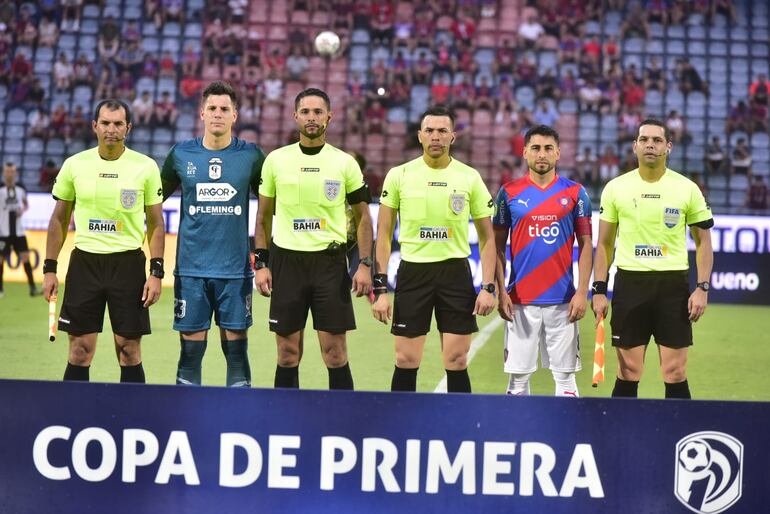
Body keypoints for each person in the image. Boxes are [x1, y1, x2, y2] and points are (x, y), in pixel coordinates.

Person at [254, 87, 373, 390]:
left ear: (329, 117)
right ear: (295, 116)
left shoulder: (345, 163)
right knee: (287, 354)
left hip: (329, 265)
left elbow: (363, 217)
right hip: (286, 263)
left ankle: (343, 423)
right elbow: (264, 217)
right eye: (305, 112)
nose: (311, 117)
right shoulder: (276, 161)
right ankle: (285, 422)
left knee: (335, 354)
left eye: (318, 112)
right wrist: (262, 263)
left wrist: (365, 264)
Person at [371, 106, 496, 393]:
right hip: (413, 272)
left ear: (453, 136)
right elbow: (384, 236)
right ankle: (402, 428)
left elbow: (488, 238)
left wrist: (488, 287)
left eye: (442, 131)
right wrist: (379, 291)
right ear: (419, 136)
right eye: (429, 130)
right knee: (405, 359)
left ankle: (457, 429)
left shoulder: (469, 177)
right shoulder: (399, 175)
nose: (435, 136)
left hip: (455, 274)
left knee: (456, 359)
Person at [42, 99, 165, 382]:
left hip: (129, 265)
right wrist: (49, 268)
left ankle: (131, 422)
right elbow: (59, 220)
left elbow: (157, 223)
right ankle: (74, 419)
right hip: (85, 263)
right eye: (106, 123)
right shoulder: (74, 165)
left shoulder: (145, 167)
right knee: (80, 351)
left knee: (129, 350)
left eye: (118, 123)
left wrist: (156, 272)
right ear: (95, 126)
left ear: (128, 128)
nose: (112, 129)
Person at [592, 119, 714, 399]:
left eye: (657, 140)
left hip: (673, 285)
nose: (650, 144)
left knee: (675, 372)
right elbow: (605, 243)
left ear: (668, 147)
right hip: (630, 283)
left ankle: (677, 439)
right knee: (628, 372)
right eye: (644, 139)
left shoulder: (687, 188)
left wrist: (702, 287)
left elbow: (703, 242)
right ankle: (620, 437)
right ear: (634, 146)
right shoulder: (615, 188)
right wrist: (599, 289)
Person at [161, 81, 265, 387]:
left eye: (224, 109)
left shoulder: (251, 156)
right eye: (212, 109)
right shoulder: (181, 154)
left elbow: (270, 209)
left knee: (237, 356)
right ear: (202, 114)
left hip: (234, 271)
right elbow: (152, 201)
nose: (218, 114)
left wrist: (262, 260)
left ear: (235, 115)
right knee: (190, 356)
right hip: (191, 269)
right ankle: (189, 419)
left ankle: (237, 418)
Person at [492, 125, 593, 397]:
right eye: (535, 148)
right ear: (524, 152)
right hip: (519, 301)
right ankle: (519, 436)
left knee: (566, 381)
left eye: (548, 148)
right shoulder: (508, 193)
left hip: (563, 301)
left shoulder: (575, 193)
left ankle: (563, 437)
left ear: (558, 153)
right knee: (517, 383)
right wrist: (500, 291)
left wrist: (583, 292)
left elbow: (586, 245)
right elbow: (497, 247)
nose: (542, 154)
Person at [0, 162, 42, 297]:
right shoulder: (0, 190)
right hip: (3, 232)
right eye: (7, 171)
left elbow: (26, 204)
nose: (9, 174)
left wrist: (22, 210)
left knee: (25, 258)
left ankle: (32, 288)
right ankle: (0, 289)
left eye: (12, 171)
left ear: (15, 173)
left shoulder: (20, 190)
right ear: (3, 173)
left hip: (18, 232)